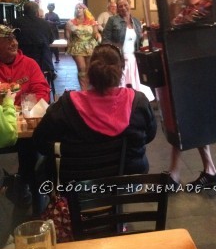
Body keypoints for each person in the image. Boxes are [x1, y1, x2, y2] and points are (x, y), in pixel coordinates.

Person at [33, 44, 156, 177]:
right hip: (127, 182)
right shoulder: (138, 102)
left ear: (90, 72)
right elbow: (149, 135)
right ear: (121, 71)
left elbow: (40, 142)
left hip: (77, 187)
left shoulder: (65, 106)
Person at [0, 24, 50, 213]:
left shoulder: (29, 63)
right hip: (2, 125)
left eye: (13, 38)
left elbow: (42, 91)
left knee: (31, 149)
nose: (13, 43)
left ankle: (26, 187)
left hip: (24, 123)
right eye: (6, 40)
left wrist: (23, 107)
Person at [103, 0, 154, 101]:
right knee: (121, 85)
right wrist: (113, 54)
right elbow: (105, 40)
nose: (123, 8)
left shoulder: (136, 21)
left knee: (136, 86)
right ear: (117, 8)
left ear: (129, 5)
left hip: (134, 58)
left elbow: (139, 41)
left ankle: (135, 104)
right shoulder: (113, 20)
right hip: (119, 58)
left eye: (125, 5)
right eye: (120, 6)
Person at [65, 3, 101, 90]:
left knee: (89, 68)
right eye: (76, 8)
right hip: (77, 46)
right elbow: (68, 36)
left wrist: (99, 37)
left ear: (84, 10)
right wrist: (68, 35)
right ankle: (83, 89)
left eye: (80, 8)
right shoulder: (70, 22)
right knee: (82, 68)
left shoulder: (92, 21)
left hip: (90, 46)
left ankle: (89, 89)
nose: (78, 10)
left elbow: (96, 33)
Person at [13, 1, 55, 76]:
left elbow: (13, 39)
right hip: (43, 62)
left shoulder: (16, 22)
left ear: (24, 11)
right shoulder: (45, 23)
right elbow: (51, 40)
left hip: (21, 60)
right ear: (36, 11)